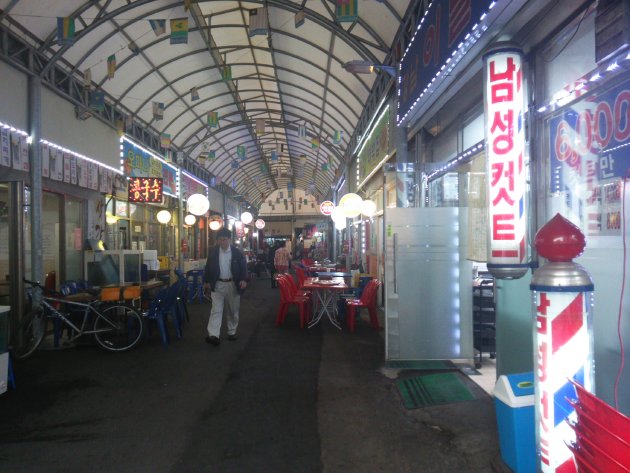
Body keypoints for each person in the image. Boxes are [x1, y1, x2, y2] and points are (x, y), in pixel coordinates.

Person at [203, 228, 248, 346]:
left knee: (232, 310)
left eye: (224, 240)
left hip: (232, 284)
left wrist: (243, 279)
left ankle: (232, 331)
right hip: (217, 284)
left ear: (229, 239)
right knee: (216, 310)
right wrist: (207, 281)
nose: (222, 242)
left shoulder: (237, 253)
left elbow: (243, 267)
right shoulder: (213, 252)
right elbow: (208, 267)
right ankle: (213, 335)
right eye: (220, 240)